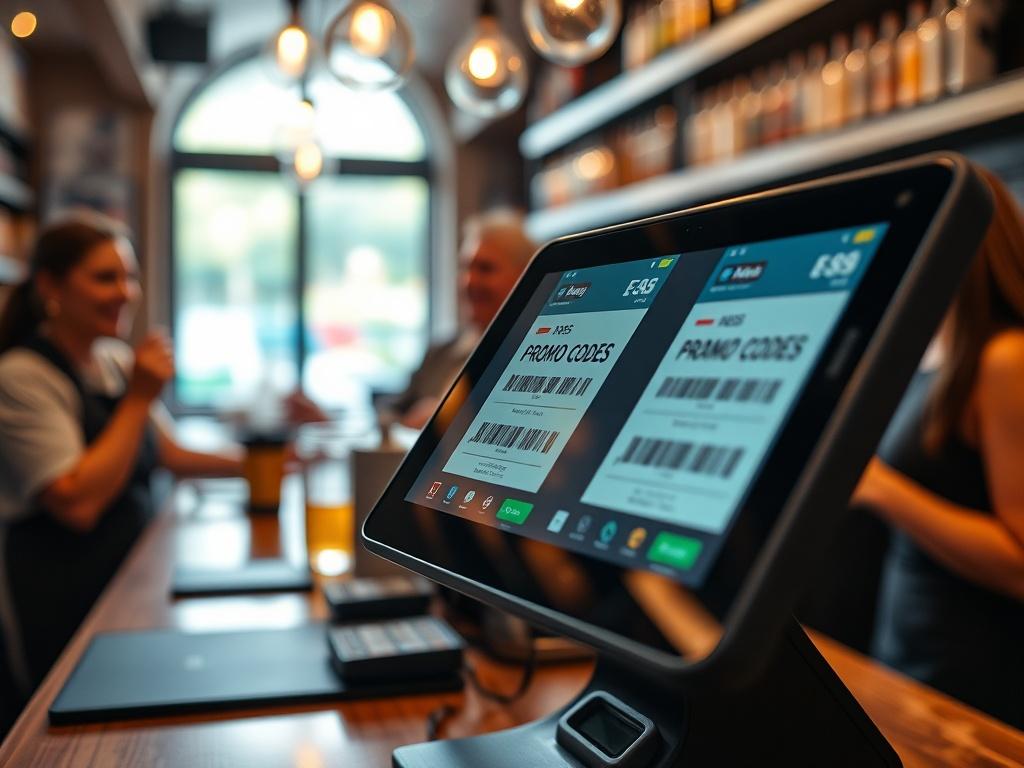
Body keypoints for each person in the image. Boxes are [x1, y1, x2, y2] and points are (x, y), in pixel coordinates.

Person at [0, 214, 242, 704]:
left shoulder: (110, 358)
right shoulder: (21, 377)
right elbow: (76, 502)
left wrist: (269, 459)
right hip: (62, 592)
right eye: (105, 277)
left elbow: (168, 453)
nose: (126, 292)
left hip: (127, 583)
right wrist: (138, 399)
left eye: (129, 277)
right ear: (51, 285)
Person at [852, 168, 1024, 729]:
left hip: (974, 679)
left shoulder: (1006, 358)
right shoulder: (935, 353)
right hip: (913, 660)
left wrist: (882, 489)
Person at [286, 209, 536, 429]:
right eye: (465, 267)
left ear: (525, 274)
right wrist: (328, 423)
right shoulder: (441, 352)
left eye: (485, 269)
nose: (469, 281)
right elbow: (391, 418)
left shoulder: (535, 354)